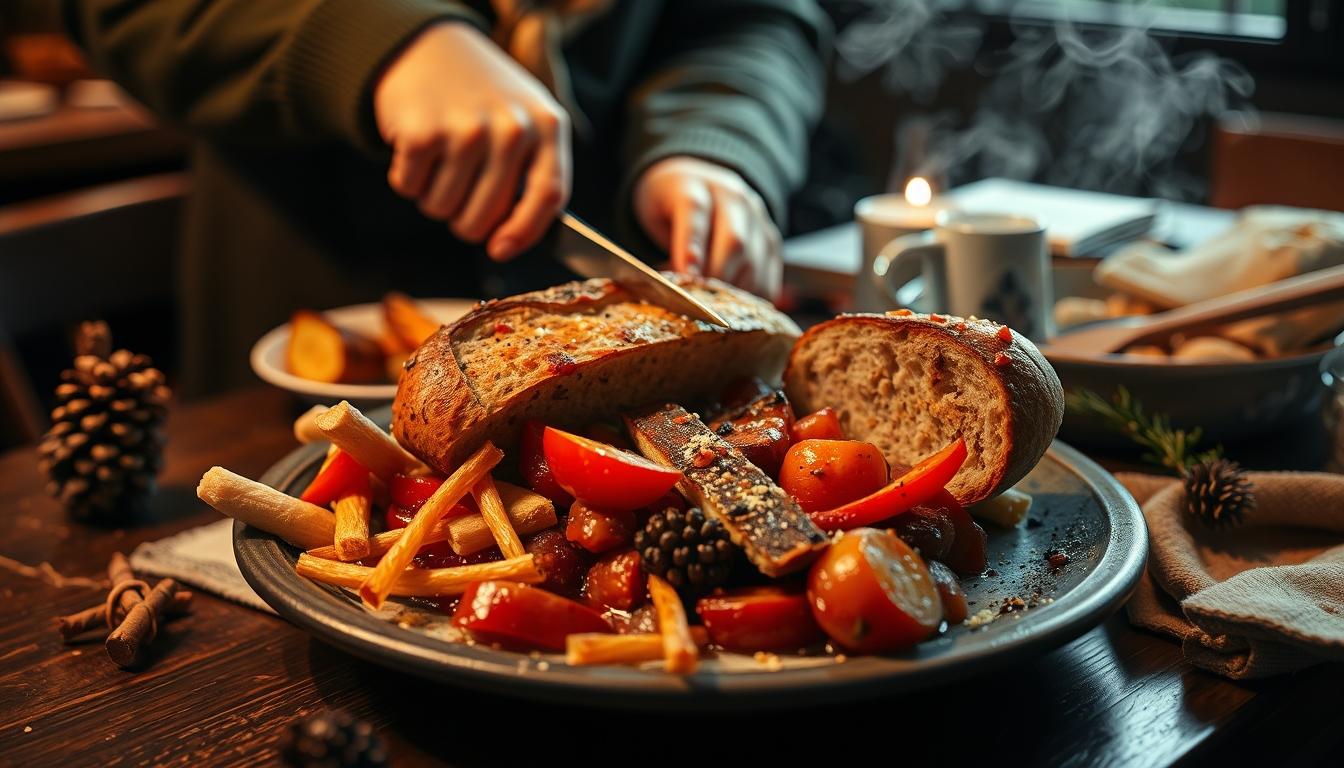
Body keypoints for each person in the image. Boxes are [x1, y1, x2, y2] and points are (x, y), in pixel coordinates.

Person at [34, 1, 828, 394]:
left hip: (615, 359)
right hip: (304, 336)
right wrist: (374, 35)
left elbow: (748, 16)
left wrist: (713, 138)